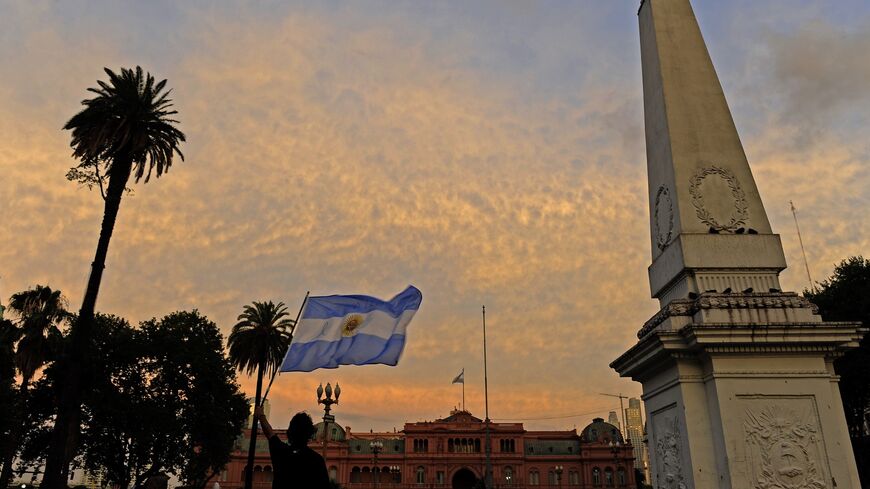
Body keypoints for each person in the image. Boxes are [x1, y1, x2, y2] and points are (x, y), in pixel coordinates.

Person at [254, 406, 331, 489]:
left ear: (290, 432)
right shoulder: (317, 460)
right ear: (309, 434)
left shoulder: (281, 452)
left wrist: (261, 415)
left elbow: (269, 433)